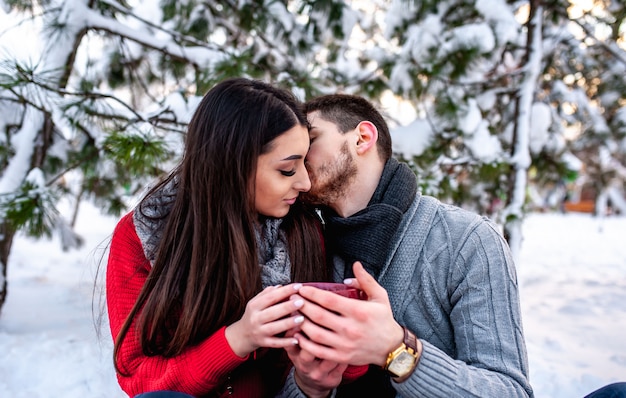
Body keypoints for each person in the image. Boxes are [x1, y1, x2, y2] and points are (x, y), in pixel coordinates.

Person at [105, 79, 366, 398]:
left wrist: (347, 332)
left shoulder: (302, 230)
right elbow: (140, 380)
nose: (305, 183)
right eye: (287, 170)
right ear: (233, 166)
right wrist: (238, 339)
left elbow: (340, 371)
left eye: (304, 163)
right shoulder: (146, 236)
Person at [277, 94, 534, 397]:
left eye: (312, 139)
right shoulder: (303, 246)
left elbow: (510, 391)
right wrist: (308, 387)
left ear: (362, 138)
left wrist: (396, 350)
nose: (300, 155)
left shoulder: (468, 241)